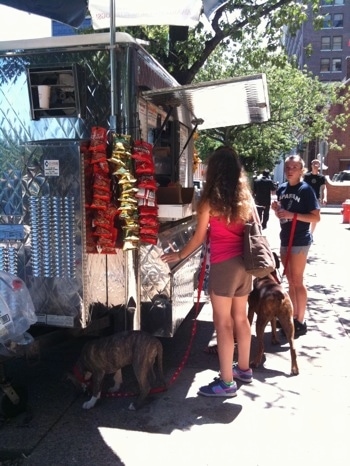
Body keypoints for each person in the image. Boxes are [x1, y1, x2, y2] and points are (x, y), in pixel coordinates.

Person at [161, 146, 253, 397]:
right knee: (241, 318)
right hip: (246, 265)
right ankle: (243, 369)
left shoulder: (210, 202)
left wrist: (179, 255)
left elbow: (198, 238)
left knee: (222, 323)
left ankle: (226, 383)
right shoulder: (245, 199)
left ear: (213, 171)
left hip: (224, 266)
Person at [271, 154, 320, 337]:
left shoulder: (306, 190)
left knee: (297, 281)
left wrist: (293, 215)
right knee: (290, 280)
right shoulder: (282, 188)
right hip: (285, 238)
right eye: (288, 167)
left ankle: (300, 320)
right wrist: (278, 211)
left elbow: (316, 217)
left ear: (301, 170)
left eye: (294, 168)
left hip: (300, 240)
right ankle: (291, 316)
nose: (290, 171)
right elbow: (283, 215)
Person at [303, 158, 327, 234]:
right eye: (314, 164)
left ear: (319, 165)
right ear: (311, 165)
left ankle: (311, 234)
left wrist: (325, 197)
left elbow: (324, 188)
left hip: (316, 198)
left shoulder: (321, 177)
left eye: (317, 164)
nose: (316, 165)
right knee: (305, 216)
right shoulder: (306, 176)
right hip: (306, 198)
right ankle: (305, 232)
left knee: (315, 217)